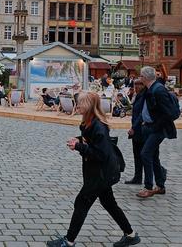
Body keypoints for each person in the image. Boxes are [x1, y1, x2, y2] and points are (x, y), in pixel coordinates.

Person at [47, 92, 140, 247]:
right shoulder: (89, 122)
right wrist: (78, 140)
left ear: (89, 106)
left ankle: (69, 241)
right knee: (109, 204)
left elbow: (100, 154)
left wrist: (79, 147)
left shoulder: (98, 126)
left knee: (82, 203)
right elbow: (91, 142)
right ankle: (131, 235)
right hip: (98, 173)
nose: (78, 105)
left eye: (81, 103)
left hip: (100, 174)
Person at [136, 66, 174, 199]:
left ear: (145, 77)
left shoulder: (158, 90)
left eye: (140, 76)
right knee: (153, 156)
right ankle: (160, 186)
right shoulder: (150, 88)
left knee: (145, 154)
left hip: (157, 128)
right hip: (149, 126)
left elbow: (168, 113)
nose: (139, 78)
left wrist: (155, 126)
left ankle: (148, 187)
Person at [125, 79, 146, 185]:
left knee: (144, 154)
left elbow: (142, 115)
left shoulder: (144, 96)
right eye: (135, 84)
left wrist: (134, 127)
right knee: (137, 154)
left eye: (140, 84)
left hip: (142, 130)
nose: (137, 86)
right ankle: (137, 177)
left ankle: (160, 171)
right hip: (136, 129)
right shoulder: (138, 96)